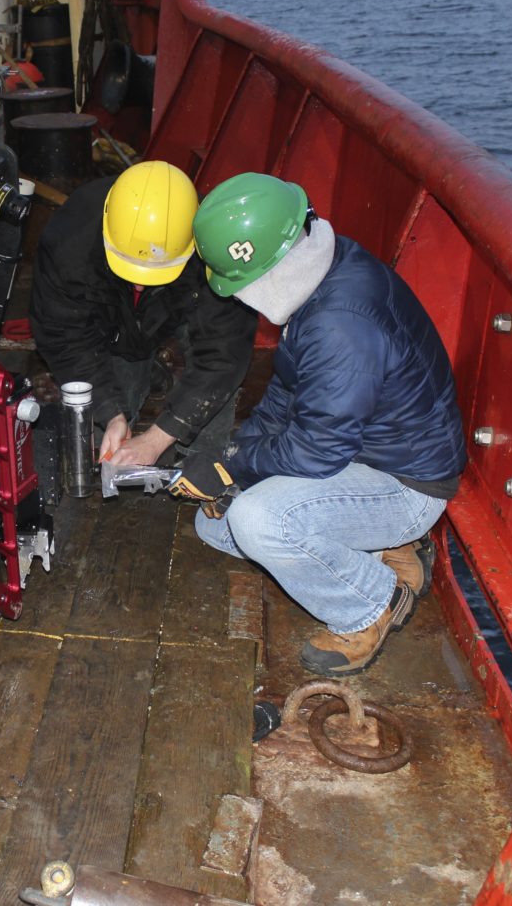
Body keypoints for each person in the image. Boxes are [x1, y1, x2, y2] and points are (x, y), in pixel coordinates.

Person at [171, 172, 466, 676]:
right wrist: (236, 461)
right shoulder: (322, 271)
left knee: (258, 522)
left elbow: (316, 450)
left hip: (404, 482)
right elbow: (286, 396)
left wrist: (231, 465)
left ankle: (372, 604)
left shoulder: (339, 324)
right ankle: (389, 546)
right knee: (215, 526)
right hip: (360, 453)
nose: (239, 298)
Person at [30, 161, 257, 466]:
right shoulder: (70, 240)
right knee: (105, 439)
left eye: (156, 271)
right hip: (114, 322)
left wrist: (158, 437)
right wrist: (111, 411)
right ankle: (147, 376)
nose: (140, 281)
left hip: (179, 304)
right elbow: (65, 338)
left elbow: (223, 355)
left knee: (208, 413)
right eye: (131, 267)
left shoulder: (215, 248)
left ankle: (203, 469)